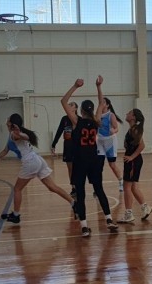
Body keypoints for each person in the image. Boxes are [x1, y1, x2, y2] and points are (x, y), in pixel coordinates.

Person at [0, 113, 74, 224]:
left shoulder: (15, 134)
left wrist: (20, 134)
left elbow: (26, 137)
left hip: (30, 162)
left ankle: (16, 215)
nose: (6, 120)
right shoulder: (12, 135)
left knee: (17, 189)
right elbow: (6, 150)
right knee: (52, 187)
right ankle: (74, 203)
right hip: (37, 160)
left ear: (11, 124)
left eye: (8, 119)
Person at [61, 77, 118, 237]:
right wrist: (98, 86)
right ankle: (109, 219)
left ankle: (84, 227)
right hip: (94, 160)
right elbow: (101, 102)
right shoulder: (96, 121)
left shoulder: (76, 121)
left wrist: (75, 86)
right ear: (92, 110)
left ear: (81, 111)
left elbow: (63, 101)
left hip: (80, 161)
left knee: (81, 194)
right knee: (99, 189)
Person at [118, 108, 152, 223]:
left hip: (133, 161)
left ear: (133, 117)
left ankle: (129, 214)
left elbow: (142, 146)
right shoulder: (133, 129)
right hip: (133, 161)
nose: (126, 114)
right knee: (133, 187)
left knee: (127, 187)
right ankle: (145, 207)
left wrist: (132, 157)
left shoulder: (135, 130)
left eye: (129, 113)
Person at [51, 102, 78, 197]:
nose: (69, 106)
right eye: (68, 105)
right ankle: (73, 188)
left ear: (75, 108)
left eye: (71, 105)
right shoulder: (64, 119)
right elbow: (59, 131)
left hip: (77, 147)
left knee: (77, 168)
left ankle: (79, 186)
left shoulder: (79, 119)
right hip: (68, 146)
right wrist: (53, 144)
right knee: (70, 168)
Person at [97, 97, 124, 192]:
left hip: (110, 141)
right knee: (99, 165)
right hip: (100, 141)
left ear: (107, 105)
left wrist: (113, 131)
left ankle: (121, 180)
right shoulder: (98, 114)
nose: (101, 103)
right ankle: (98, 186)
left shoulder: (111, 115)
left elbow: (116, 128)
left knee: (112, 164)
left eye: (104, 102)